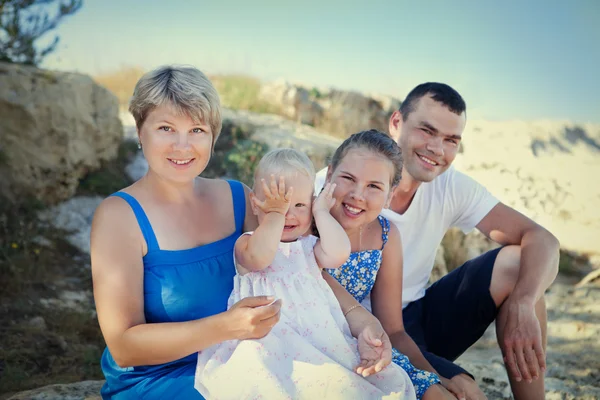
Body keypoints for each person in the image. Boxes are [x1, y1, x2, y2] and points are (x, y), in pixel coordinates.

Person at [91, 65, 400, 400]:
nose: (182, 146)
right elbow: (123, 346)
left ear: (213, 136)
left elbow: (297, 267)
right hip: (162, 378)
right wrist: (226, 326)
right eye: (166, 128)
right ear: (140, 131)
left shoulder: (238, 198)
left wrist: (362, 321)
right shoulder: (118, 217)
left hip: (247, 361)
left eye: (197, 130)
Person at [317, 83, 559, 400]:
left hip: (412, 323)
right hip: (349, 330)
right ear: (396, 123)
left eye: (450, 140)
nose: (437, 148)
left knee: (519, 265)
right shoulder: (333, 190)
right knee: (464, 392)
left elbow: (542, 239)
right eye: (427, 131)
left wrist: (524, 302)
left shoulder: (451, 186)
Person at [195, 148, 417, 399]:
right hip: (270, 341)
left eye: (299, 205)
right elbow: (261, 258)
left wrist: (321, 211)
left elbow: (338, 253)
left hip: (319, 339)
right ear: (255, 205)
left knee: (351, 383)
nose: (288, 214)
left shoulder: (308, 247)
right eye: (277, 206)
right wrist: (273, 218)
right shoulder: (248, 244)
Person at [317, 130, 454, 400]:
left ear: (390, 195)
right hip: (312, 344)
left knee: (437, 395)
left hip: (364, 346)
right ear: (330, 174)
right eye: (348, 178)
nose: (358, 195)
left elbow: (394, 330)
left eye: (374, 186)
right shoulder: (306, 221)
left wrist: (435, 377)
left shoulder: (385, 236)